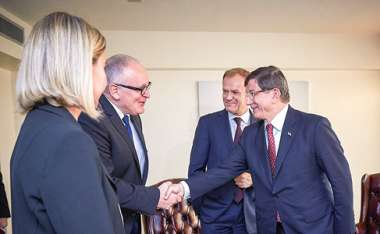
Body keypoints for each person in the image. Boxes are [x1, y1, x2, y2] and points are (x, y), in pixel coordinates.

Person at [165, 66, 355, 234]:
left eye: (252, 94)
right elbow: (223, 171)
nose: (248, 101)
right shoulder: (250, 135)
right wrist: (183, 188)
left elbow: (341, 183)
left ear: (274, 94)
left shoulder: (314, 127)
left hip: (311, 227)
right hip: (269, 227)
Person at [11, 12, 125, 234]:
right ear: (81, 69)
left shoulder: (38, 125)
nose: (105, 78)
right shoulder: (69, 142)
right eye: (103, 67)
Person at [79, 54, 180, 234]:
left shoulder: (133, 116)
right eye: (140, 89)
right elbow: (105, 184)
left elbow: (130, 172)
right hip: (108, 223)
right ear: (115, 90)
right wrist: (154, 197)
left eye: (147, 87)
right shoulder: (93, 119)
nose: (147, 95)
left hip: (130, 220)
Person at [188, 68, 256, 234]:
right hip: (214, 216)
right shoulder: (207, 124)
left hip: (252, 215)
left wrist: (255, 180)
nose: (228, 97)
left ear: (249, 95)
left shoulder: (263, 126)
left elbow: (274, 172)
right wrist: (203, 207)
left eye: (234, 92)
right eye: (225, 91)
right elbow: (195, 171)